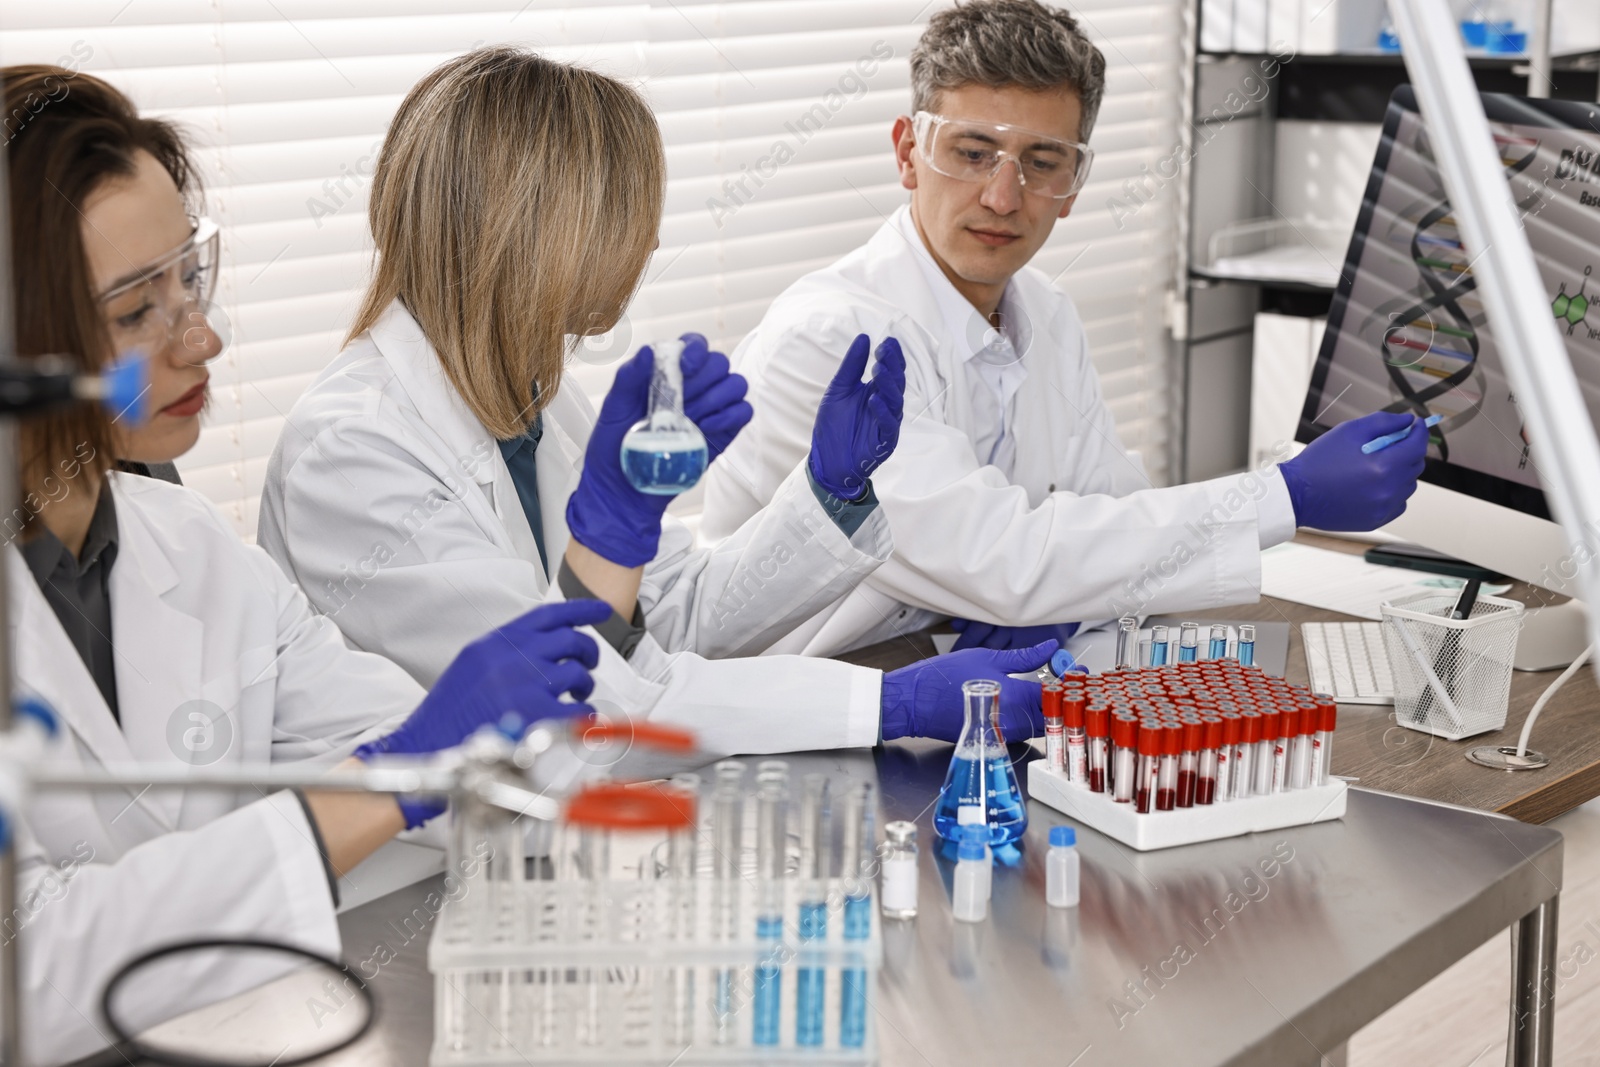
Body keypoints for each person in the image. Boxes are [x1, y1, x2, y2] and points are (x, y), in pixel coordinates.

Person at [2, 66, 614, 1064]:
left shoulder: (191, 547)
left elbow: (402, 741)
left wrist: (464, 749)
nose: (204, 335)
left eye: (188, 277)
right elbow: (30, 966)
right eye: (132, 311)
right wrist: (382, 782)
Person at [259, 48, 1055, 756]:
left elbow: (668, 623)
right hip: (408, 884)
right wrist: (889, 704)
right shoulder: (352, 450)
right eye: (627, 218)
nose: (645, 247)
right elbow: (582, 713)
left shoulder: (538, 402)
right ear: (540, 233)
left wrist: (826, 497)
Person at [701, 0, 1429, 657]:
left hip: (957, 712)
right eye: (971, 151)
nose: (1002, 196)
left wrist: (1056, 600)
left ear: (1073, 186)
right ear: (906, 154)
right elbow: (1001, 560)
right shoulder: (830, 341)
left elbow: (1108, 517)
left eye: (1042, 162)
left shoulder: (1043, 312)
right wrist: (1285, 497)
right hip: (798, 729)